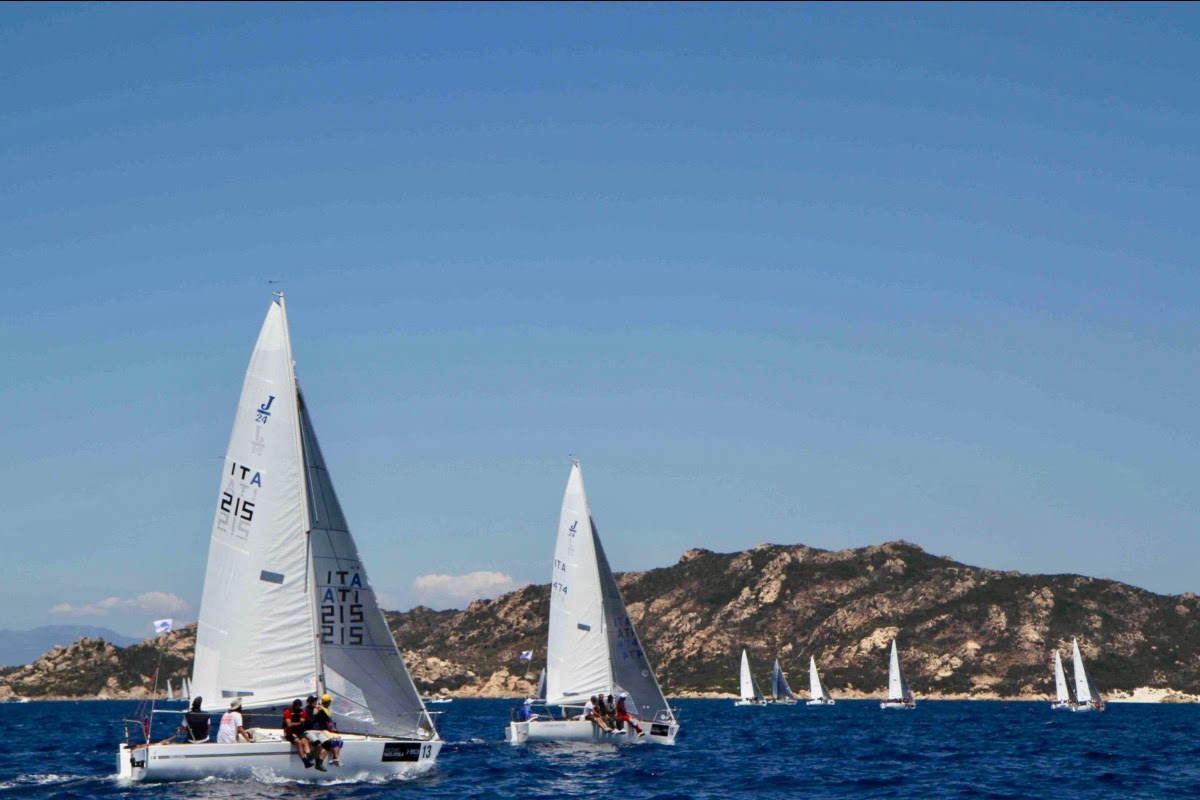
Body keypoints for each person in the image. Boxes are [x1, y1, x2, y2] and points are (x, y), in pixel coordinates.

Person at [305, 694, 343, 769]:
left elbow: (328, 720)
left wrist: (333, 727)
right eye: (313, 701)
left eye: (315, 701)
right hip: (317, 731)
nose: (315, 702)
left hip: (321, 730)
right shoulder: (309, 710)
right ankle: (332, 758)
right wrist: (316, 712)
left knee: (337, 740)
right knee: (331, 741)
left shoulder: (321, 709)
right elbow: (310, 721)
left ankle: (334, 758)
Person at [283, 699, 314, 767]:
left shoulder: (302, 711)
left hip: (299, 732)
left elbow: (303, 720)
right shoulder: (288, 711)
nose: (298, 708)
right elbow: (289, 724)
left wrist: (302, 722)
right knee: (298, 742)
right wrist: (299, 723)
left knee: (305, 741)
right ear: (294, 705)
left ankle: (309, 755)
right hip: (290, 733)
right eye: (297, 706)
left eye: (299, 707)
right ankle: (304, 761)